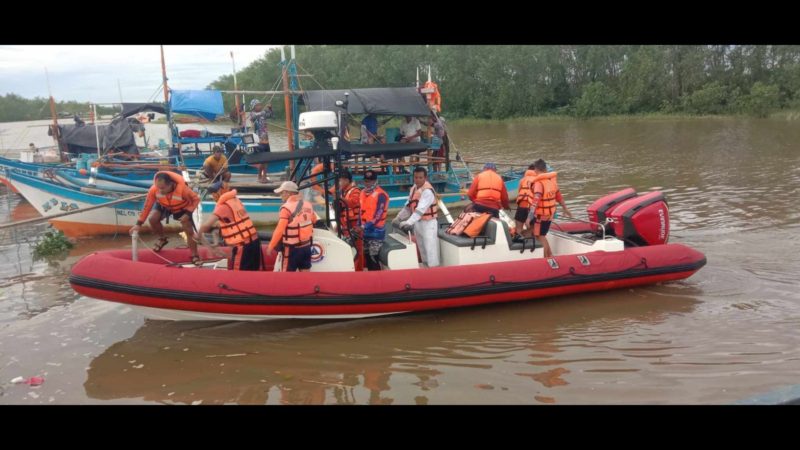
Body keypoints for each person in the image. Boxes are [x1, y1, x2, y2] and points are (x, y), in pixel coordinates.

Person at [130, 171, 202, 266]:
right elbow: (147, 206)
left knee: (188, 228)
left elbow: (196, 199)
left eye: (163, 188)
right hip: (164, 205)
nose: (160, 191)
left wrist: (188, 214)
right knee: (152, 219)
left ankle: (195, 255)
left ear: (171, 184)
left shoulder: (184, 190)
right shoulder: (154, 190)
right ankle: (162, 239)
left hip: (182, 208)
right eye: (158, 188)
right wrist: (138, 224)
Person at [195, 181, 262, 271]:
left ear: (223, 190)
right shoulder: (235, 200)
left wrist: (198, 236)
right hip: (254, 242)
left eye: (215, 192)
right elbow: (230, 222)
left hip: (243, 246)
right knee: (252, 271)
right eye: (212, 193)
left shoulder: (222, 207)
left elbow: (205, 226)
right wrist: (216, 236)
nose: (213, 195)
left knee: (238, 274)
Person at [393, 167, 441, 267]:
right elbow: (408, 206)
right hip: (418, 223)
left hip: (428, 223)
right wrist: (398, 218)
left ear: (425, 178)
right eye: (416, 177)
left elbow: (420, 210)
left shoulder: (427, 191)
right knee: (422, 247)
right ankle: (425, 267)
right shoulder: (414, 188)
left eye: (420, 177)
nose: (418, 180)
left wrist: (408, 222)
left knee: (430, 247)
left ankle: (434, 269)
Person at [525, 159, 572, 258]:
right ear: (546, 169)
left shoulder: (539, 183)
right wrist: (565, 208)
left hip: (540, 215)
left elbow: (536, 200)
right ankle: (549, 255)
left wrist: (529, 217)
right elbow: (559, 197)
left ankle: (546, 258)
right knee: (542, 235)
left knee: (540, 236)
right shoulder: (552, 182)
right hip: (549, 215)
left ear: (536, 170)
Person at [268, 181, 319, 272]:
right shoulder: (308, 205)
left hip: (291, 249)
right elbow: (314, 220)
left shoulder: (286, 208)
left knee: (286, 276)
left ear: (289, 193)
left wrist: (271, 246)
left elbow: (279, 230)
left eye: (282, 193)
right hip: (306, 247)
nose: (281, 196)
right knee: (305, 273)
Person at [357, 170, 389, 271]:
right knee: (367, 257)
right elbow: (360, 211)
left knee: (374, 258)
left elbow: (378, 215)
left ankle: (379, 281)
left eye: (370, 181)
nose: (367, 183)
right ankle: (371, 280)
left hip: (376, 233)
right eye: (366, 181)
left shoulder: (381, 195)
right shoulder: (362, 193)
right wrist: (358, 224)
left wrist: (364, 226)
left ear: (375, 181)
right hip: (365, 232)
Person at [336, 169, 364, 271]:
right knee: (351, 248)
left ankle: (359, 271)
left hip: (354, 224)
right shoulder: (343, 191)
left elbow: (353, 203)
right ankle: (352, 268)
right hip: (346, 224)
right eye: (339, 180)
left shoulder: (355, 190)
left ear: (347, 180)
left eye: (342, 180)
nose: (340, 183)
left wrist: (340, 198)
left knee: (357, 248)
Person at [249, 99, 274, 183]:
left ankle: (263, 177)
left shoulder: (262, 114)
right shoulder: (252, 114)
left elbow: (271, 115)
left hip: (266, 140)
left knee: (266, 159)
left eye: (260, 105)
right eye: (257, 105)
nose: (259, 106)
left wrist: (270, 109)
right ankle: (261, 177)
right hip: (258, 140)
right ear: (253, 107)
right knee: (262, 159)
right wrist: (264, 110)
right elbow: (255, 116)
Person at [514, 163, 539, 238]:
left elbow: (519, 192)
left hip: (521, 206)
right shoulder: (538, 180)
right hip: (531, 208)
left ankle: (519, 242)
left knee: (518, 229)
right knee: (532, 228)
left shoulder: (522, 180)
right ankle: (531, 242)